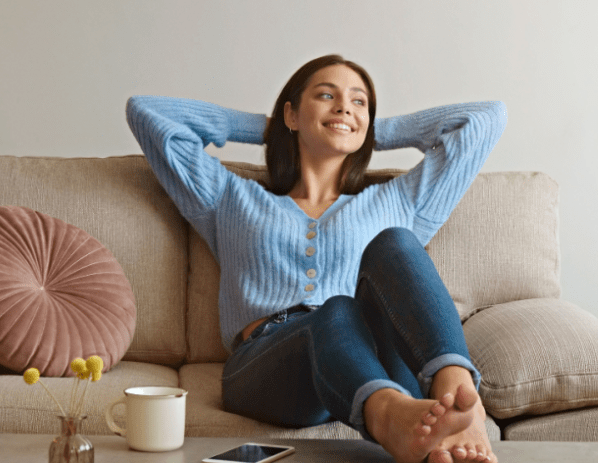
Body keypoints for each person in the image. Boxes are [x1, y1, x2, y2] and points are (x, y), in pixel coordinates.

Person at [126, 54, 506, 463]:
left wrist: (373, 130)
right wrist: (270, 128)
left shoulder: (399, 200)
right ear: (291, 113)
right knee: (336, 309)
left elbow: (485, 120)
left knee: (395, 242)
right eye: (326, 95)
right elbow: (147, 113)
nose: (344, 107)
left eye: (359, 102)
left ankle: (457, 393)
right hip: (270, 366)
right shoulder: (229, 198)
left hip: (372, 358)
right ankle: (390, 417)